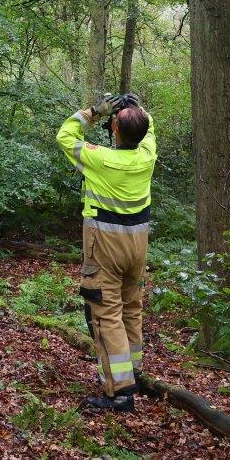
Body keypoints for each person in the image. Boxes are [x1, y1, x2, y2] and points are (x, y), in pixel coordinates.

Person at [56, 93, 156, 412]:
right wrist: (137, 108)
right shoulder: (147, 155)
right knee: (131, 305)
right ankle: (133, 372)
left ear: (115, 128)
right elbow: (149, 128)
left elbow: (65, 134)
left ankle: (121, 391)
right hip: (138, 242)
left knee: (105, 310)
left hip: (105, 242)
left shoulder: (100, 159)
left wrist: (95, 111)